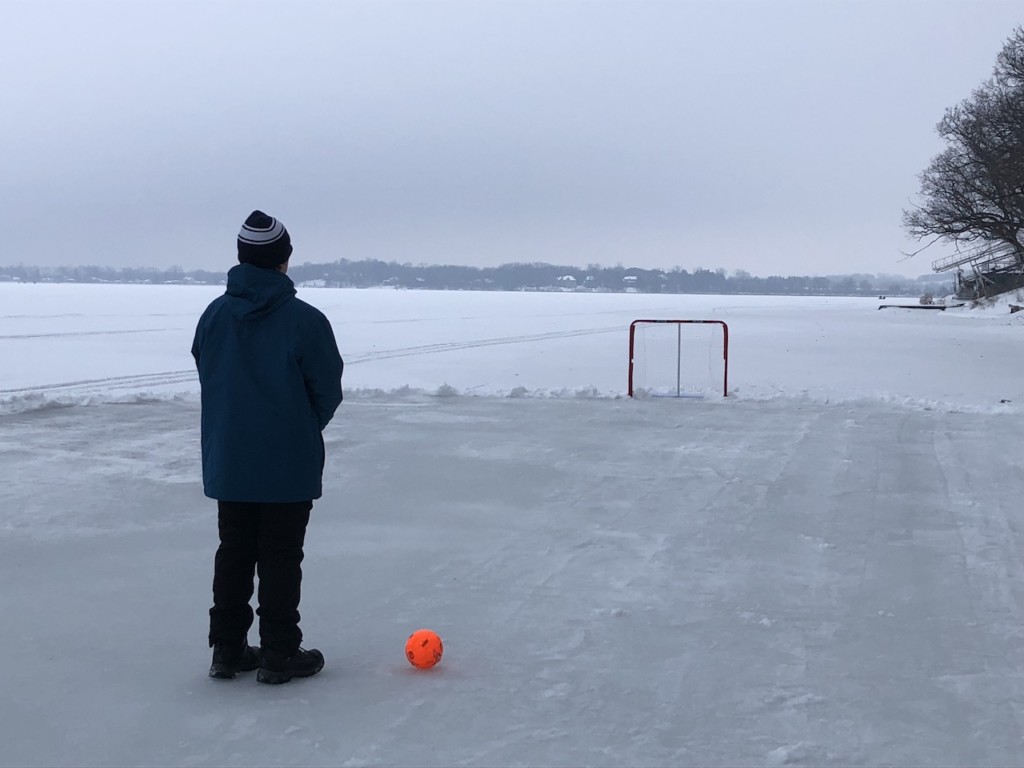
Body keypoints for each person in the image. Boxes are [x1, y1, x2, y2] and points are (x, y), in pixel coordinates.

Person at [192, 210, 343, 684]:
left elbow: (209, 373)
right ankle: (278, 652)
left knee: (233, 550)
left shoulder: (214, 316)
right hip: (287, 464)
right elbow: (328, 390)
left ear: (241, 258)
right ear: (284, 260)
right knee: (281, 554)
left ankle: (228, 650)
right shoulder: (305, 321)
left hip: (231, 460)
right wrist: (296, 426)